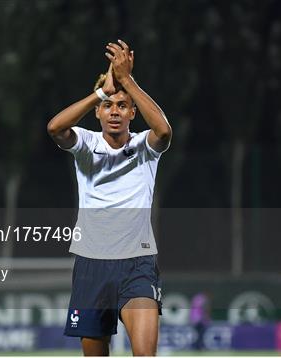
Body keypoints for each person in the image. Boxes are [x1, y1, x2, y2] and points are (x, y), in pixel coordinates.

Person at [47, 39, 172, 356]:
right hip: (92, 265)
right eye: (108, 106)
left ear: (133, 111)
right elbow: (54, 128)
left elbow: (165, 132)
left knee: (145, 354)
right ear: (98, 112)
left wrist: (126, 80)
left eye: (121, 105)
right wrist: (102, 90)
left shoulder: (145, 146)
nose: (114, 111)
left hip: (137, 264)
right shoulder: (85, 143)